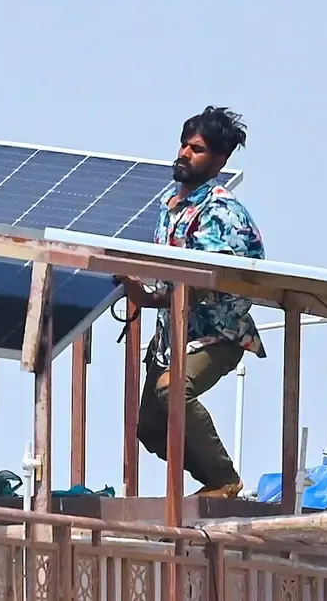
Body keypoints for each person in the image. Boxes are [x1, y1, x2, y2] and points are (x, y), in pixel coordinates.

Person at [117, 105, 265, 500]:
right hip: (172, 335)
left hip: (217, 335)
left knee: (172, 391)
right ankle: (214, 480)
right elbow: (170, 280)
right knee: (149, 426)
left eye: (196, 149)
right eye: (184, 144)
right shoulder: (170, 206)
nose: (184, 153)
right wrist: (144, 295)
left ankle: (223, 479)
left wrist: (163, 292)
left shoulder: (221, 211)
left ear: (220, 159)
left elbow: (227, 281)